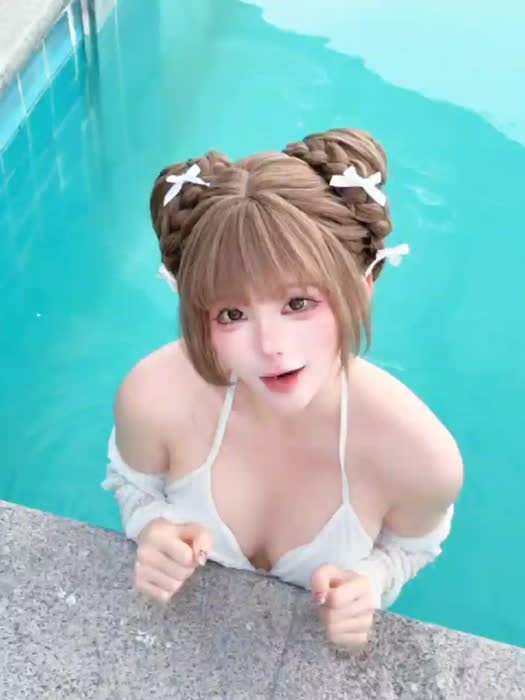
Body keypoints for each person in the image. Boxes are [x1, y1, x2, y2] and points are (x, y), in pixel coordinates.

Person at [102, 128, 463, 651]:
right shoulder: (154, 396)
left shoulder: (420, 456)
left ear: (364, 286)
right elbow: (133, 484)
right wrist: (151, 527)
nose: (269, 346)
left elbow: (410, 548)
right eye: (232, 314)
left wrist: (370, 584)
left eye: (298, 304)